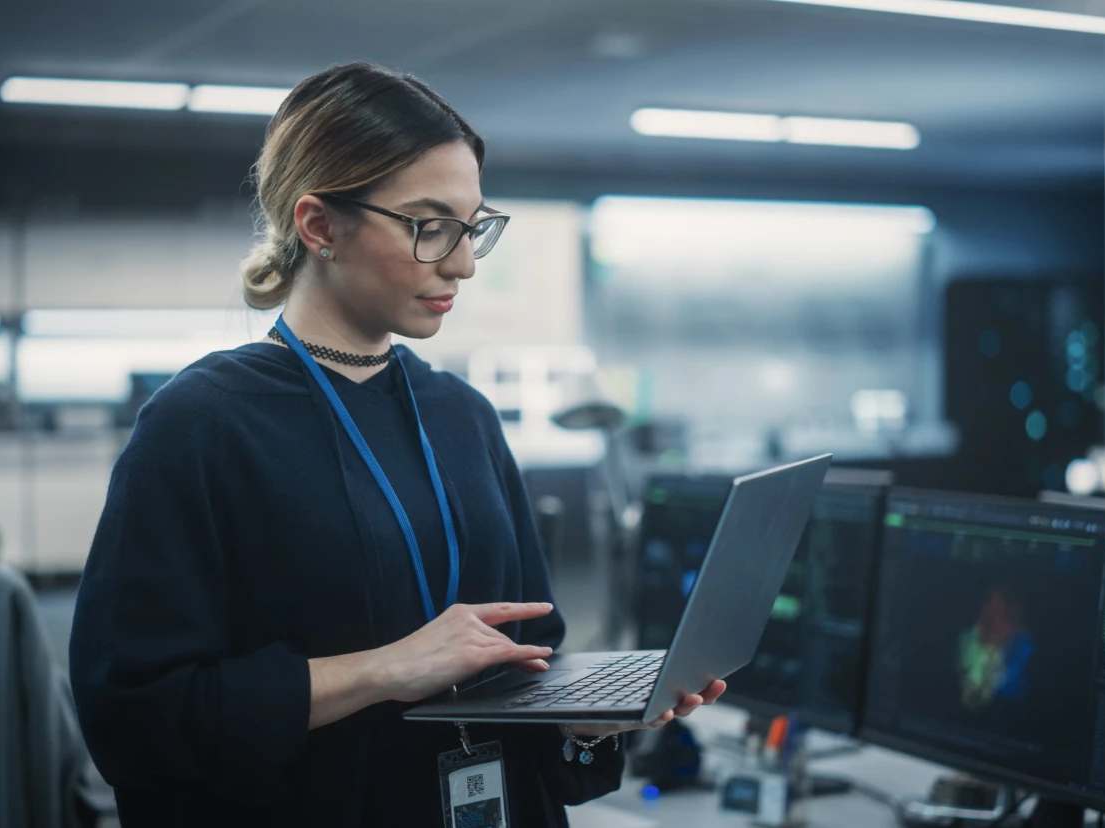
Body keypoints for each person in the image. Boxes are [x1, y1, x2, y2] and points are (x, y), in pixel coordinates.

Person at [68, 61, 725, 826]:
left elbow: (531, 655)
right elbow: (135, 717)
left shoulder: (463, 416)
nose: (463, 263)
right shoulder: (203, 424)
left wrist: (589, 716)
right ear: (319, 226)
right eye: (429, 227)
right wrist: (383, 670)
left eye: (473, 226)